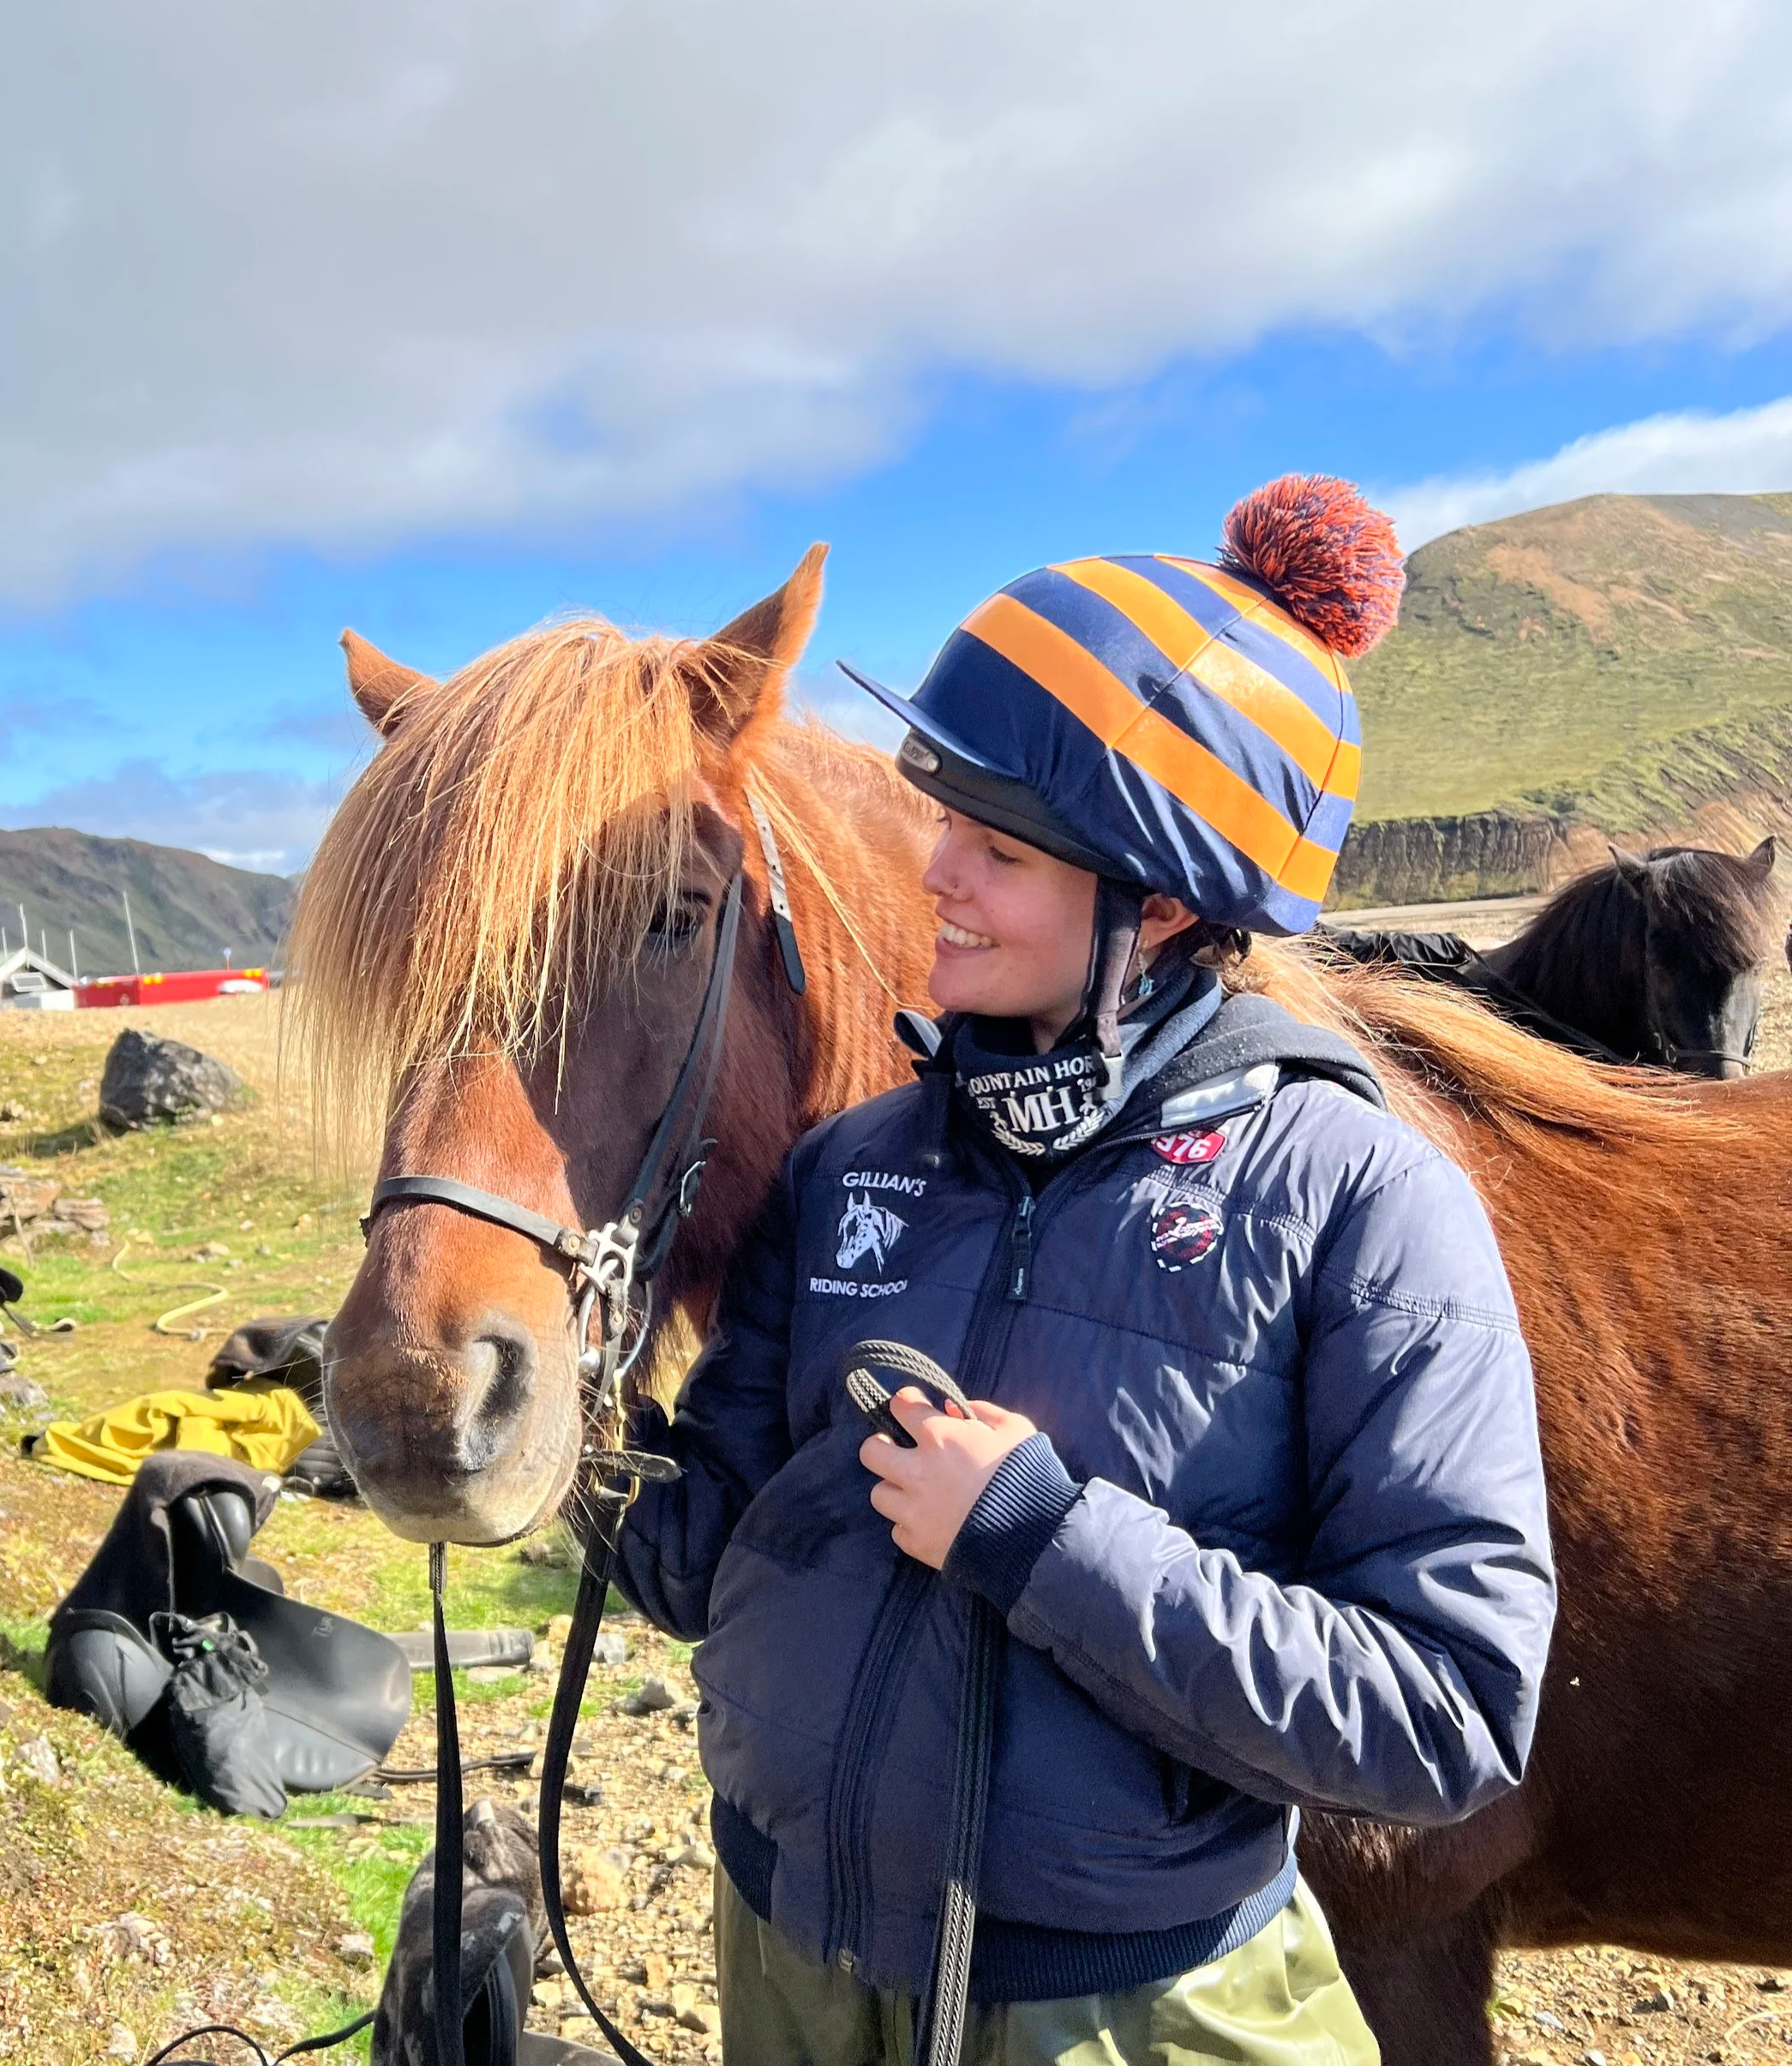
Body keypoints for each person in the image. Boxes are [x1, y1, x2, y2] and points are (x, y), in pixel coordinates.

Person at [610, 476, 1555, 2066]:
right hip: (785, 1960)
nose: (935, 877)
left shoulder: (1360, 1202)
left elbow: (1447, 1710)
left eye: (998, 850)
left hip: (1129, 2019)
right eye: (943, 825)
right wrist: (531, 1423)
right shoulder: (859, 1165)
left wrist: (1042, 1536)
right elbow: (695, 1557)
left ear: (1166, 900)